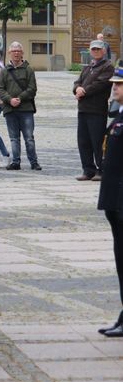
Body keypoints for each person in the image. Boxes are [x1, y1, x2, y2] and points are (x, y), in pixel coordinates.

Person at [98, 66, 123, 337]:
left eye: (119, 84)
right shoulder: (117, 117)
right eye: (114, 84)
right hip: (115, 204)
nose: (114, 88)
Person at [0, 41, 40, 171]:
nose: (16, 53)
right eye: (13, 51)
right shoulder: (4, 71)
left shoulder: (28, 69)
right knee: (14, 138)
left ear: (22, 53)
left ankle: (34, 162)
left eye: (18, 51)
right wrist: (9, 100)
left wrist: (20, 98)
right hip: (10, 109)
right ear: (9, 53)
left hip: (26, 109)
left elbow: (32, 89)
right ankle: (16, 162)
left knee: (29, 138)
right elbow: (0, 89)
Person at [74, 39, 114, 180]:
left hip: (97, 109)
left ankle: (101, 170)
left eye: (98, 49)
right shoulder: (88, 66)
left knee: (97, 142)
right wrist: (77, 88)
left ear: (104, 51)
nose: (96, 51)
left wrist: (83, 90)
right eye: (93, 49)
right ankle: (88, 169)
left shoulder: (108, 66)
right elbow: (77, 81)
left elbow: (101, 83)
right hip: (83, 109)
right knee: (83, 141)